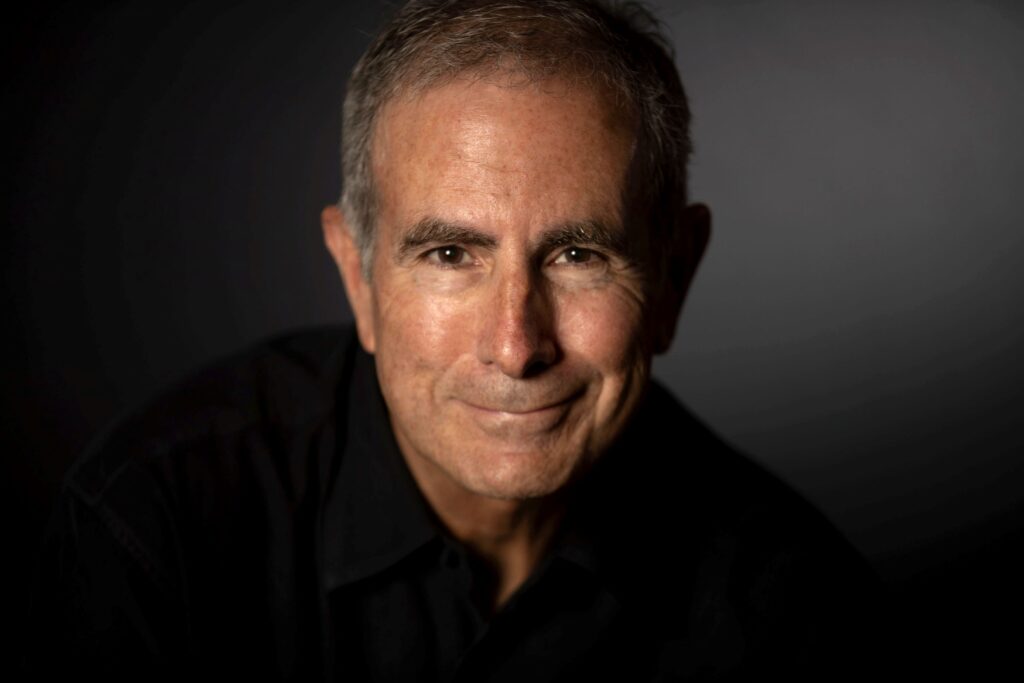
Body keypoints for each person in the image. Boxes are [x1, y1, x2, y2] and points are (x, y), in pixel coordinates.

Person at [28, 0, 885, 679]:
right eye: (449, 255)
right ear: (358, 277)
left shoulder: (797, 610)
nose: (516, 344)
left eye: (579, 255)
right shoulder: (155, 530)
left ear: (675, 277)